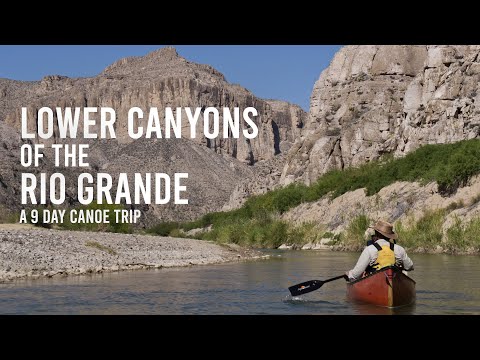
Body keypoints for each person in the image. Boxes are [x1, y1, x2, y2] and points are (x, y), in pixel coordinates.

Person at [346, 220, 414, 281]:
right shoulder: (399, 249)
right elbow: (409, 267)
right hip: (396, 280)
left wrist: (349, 274)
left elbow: (356, 274)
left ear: (377, 233)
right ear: (389, 236)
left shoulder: (369, 249)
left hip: (374, 282)